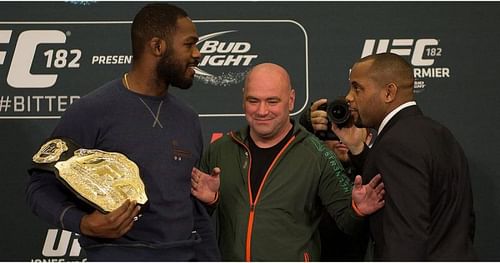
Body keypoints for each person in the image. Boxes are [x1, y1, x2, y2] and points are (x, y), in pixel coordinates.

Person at [26, 3, 220, 261]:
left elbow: (193, 210)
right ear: (157, 46)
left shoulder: (188, 118)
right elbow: (39, 186)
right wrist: (82, 223)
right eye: (189, 44)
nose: (198, 54)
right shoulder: (92, 110)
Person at [190, 62, 385, 261]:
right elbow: (194, 225)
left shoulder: (317, 154)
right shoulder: (220, 150)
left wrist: (358, 209)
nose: (262, 111)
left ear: (291, 100)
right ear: (243, 99)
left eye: (272, 101)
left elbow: (348, 222)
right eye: (253, 100)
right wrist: (208, 203)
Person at [332, 52, 476, 260]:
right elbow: (463, 221)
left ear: (389, 92)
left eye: (357, 88)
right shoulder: (440, 134)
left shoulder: (396, 144)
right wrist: (357, 147)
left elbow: (406, 234)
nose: (348, 98)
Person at [299, 100, 374, 261]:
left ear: (369, 137)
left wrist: (359, 152)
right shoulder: (311, 172)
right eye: (335, 130)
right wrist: (306, 125)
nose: (342, 139)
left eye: (352, 129)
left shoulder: (380, 170)